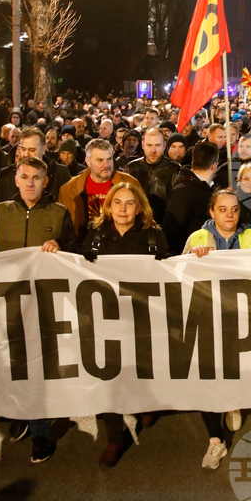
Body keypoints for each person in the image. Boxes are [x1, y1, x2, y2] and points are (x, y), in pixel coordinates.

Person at [0, 156, 78, 463]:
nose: (30, 182)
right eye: (24, 177)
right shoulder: (1, 211)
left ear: (45, 181)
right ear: (16, 180)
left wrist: (60, 250)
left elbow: (76, 255)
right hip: (6, 301)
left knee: (36, 370)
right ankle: (21, 415)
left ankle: (40, 433)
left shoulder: (60, 213)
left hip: (43, 303)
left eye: (36, 177)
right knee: (12, 366)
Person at [184, 189, 251, 469]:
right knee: (207, 377)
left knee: (238, 369)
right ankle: (216, 440)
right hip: (208, 318)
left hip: (243, 319)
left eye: (234, 209)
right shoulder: (197, 238)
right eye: (222, 209)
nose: (229, 215)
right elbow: (179, 278)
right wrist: (191, 258)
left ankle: (234, 401)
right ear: (211, 212)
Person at [80, 181, 169, 468]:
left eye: (129, 202)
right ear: (109, 205)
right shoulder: (95, 233)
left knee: (142, 368)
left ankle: (145, 405)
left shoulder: (153, 235)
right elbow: (76, 268)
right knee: (110, 377)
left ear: (139, 206)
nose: (123, 208)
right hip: (105, 317)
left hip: (143, 316)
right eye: (117, 202)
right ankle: (115, 438)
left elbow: (170, 270)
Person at [58, 139, 137, 241]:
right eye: (100, 160)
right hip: (82, 248)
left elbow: (144, 218)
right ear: (88, 161)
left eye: (109, 159)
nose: (106, 165)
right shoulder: (68, 190)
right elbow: (62, 228)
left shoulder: (130, 183)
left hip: (120, 247)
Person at [162, 141, 219, 253]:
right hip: (191, 257)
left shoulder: (212, 189)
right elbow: (171, 231)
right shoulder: (183, 191)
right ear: (214, 165)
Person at [0, 127, 71, 203]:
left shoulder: (60, 173)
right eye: (23, 149)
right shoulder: (6, 174)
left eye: (32, 150)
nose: (26, 154)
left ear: (43, 150)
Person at [126, 128, 180, 222]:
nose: (153, 150)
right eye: (149, 145)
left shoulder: (175, 169)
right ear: (143, 145)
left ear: (164, 145)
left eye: (157, 145)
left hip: (166, 225)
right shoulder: (131, 169)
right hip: (136, 224)